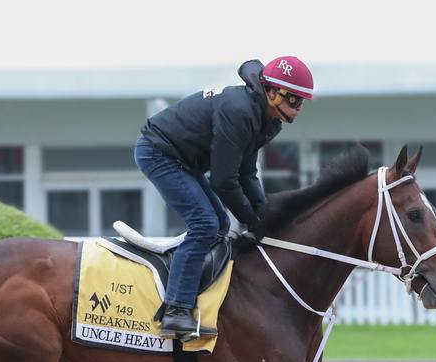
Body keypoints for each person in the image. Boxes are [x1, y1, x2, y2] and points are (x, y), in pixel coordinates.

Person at [134, 56, 314, 338]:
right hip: (159, 153)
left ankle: (193, 300)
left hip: (183, 160)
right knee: (206, 224)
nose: (298, 108)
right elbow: (223, 181)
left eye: (302, 102)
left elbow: (246, 173)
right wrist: (253, 221)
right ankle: (175, 311)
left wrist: (264, 215)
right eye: (294, 100)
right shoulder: (241, 112)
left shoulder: (266, 117)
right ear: (271, 92)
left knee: (219, 224)